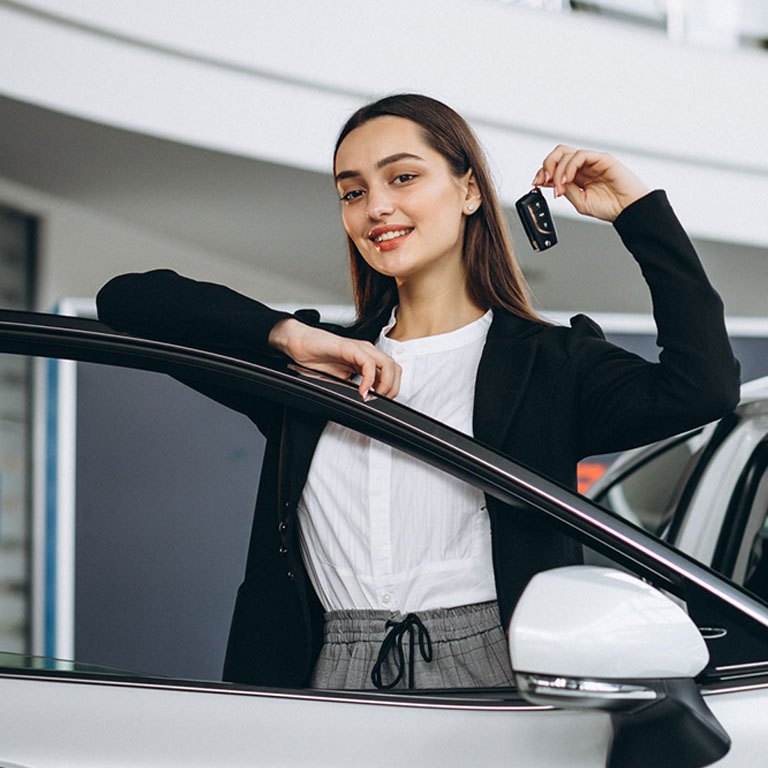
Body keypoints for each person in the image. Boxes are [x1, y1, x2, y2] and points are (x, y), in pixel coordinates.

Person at [96, 93, 740, 691]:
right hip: (323, 670)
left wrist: (637, 212)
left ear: (467, 190)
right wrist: (289, 338)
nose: (375, 207)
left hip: (495, 668)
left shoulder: (548, 364)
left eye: (402, 177)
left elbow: (702, 387)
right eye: (352, 192)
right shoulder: (318, 365)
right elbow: (127, 299)